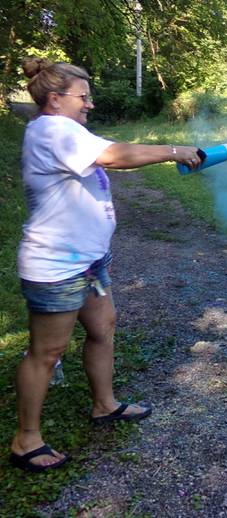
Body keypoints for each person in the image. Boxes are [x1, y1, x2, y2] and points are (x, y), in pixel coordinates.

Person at [10, 58, 201, 473]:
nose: (89, 105)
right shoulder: (52, 130)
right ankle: (26, 440)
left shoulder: (68, 131)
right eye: (83, 97)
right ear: (56, 99)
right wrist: (175, 151)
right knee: (47, 351)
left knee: (102, 328)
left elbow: (109, 149)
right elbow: (117, 155)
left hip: (88, 261)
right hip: (56, 264)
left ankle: (105, 404)